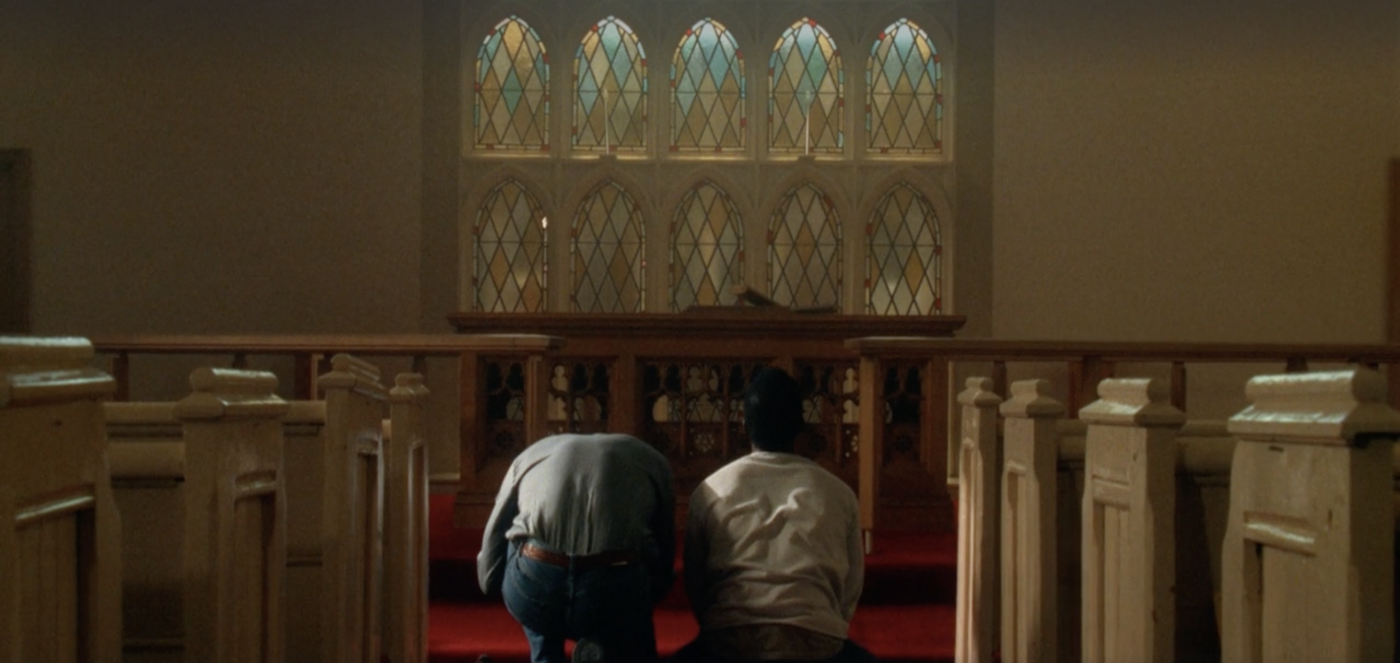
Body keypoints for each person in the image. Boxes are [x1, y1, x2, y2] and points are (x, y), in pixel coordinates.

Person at [679, 367, 873, 662]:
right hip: (817, 639)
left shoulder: (710, 489)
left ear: (744, 425)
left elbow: (696, 583)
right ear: (800, 428)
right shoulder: (840, 493)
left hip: (729, 637)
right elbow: (851, 588)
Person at [478, 432, 676, 663]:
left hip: (537, 589)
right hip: (615, 591)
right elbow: (665, 549)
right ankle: (616, 648)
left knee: (519, 538)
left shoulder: (529, 456)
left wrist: (490, 583)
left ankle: (545, 654)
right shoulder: (654, 461)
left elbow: (494, 537)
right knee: (640, 549)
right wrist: (645, 599)